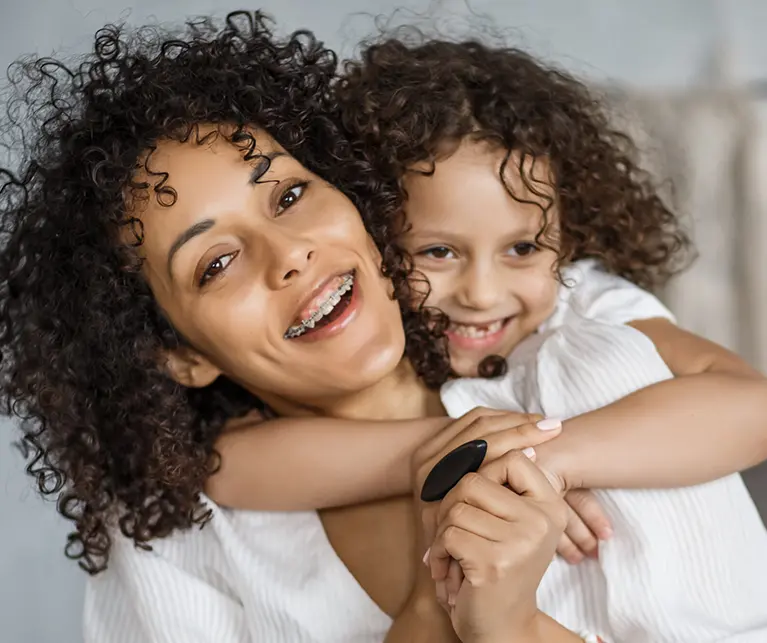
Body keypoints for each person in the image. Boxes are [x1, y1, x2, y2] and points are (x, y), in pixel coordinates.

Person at [0, 12, 598, 643]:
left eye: (288, 197)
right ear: (178, 354)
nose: (288, 255)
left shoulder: (571, 349)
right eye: (217, 263)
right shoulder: (175, 548)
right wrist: (468, 617)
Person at [201, 35, 767, 641]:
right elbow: (227, 466)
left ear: (565, 240)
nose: (480, 292)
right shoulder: (402, 378)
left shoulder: (586, 303)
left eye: (521, 249)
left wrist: (549, 460)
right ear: (377, 239)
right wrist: (456, 453)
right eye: (438, 252)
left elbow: (752, 405)